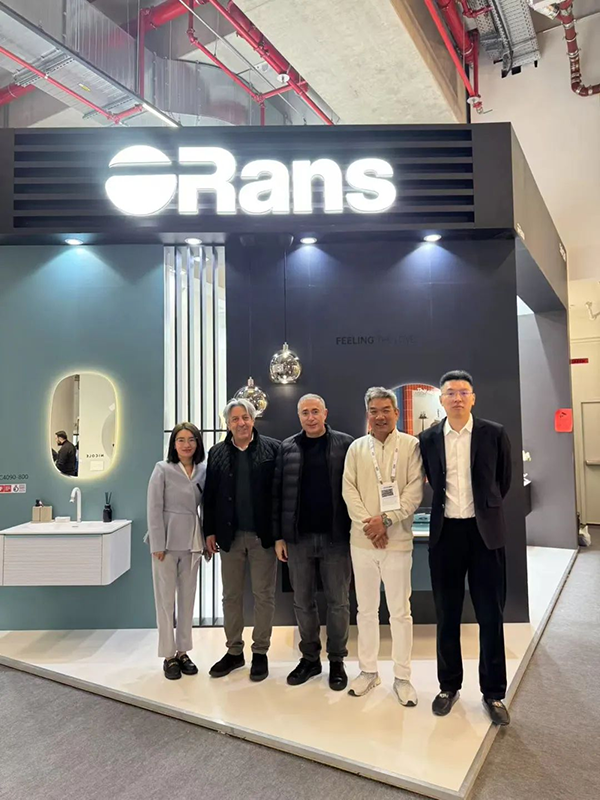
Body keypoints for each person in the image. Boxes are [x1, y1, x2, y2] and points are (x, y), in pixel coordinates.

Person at [419, 370, 512, 726]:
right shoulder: (428, 438)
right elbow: (432, 479)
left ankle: (494, 692)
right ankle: (448, 686)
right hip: (446, 536)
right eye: (450, 392)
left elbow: (502, 482)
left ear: (473, 397)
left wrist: (483, 511)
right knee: (447, 614)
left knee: (491, 615)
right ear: (441, 399)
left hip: (485, 534)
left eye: (463, 392)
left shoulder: (494, 433)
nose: (457, 398)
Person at [342, 387, 424, 705]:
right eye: (374, 410)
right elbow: (349, 490)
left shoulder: (411, 446)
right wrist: (371, 525)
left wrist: (387, 520)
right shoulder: (356, 448)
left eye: (386, 410)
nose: (380, 416)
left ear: (396, 413)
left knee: (400, 612)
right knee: (365, 610)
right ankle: (368, 671)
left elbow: (414, 491)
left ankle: (402, 677)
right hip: (362, 542)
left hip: (398, 541)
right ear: (368, 414)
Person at [273, 394, 353, 691]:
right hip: (299, 539)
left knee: (339, 602)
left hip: (336, 538)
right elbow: (277, 494)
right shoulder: (287, 447)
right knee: (302, 602)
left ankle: (337, 660)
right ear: (299, 416)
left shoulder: (345, 444)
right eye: (305, 412)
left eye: (315, 411)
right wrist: (279, 536)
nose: (310, 417)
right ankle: (310, 659)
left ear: (325, 413)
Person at [204, 399, 280, 682]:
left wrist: (280, 534)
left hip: (263, 537)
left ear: (253, 419)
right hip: (230, 537)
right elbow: (209, 496)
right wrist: (209, 531)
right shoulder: (217, 453)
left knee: (264, 595)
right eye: (235, 419)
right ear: (228, 423)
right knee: (231, 596)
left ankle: (260, 652)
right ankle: (234, 651)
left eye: (245, 417)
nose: (241, 423)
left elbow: (279, 495)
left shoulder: (273, 449)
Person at [146, 422, 207, 681]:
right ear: (173, 444)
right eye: (180, 440)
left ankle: (183, 651)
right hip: (167, 544)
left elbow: (208, 506)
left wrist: (207, 539)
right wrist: (157, 543)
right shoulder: (162, 469)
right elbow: (153, 507)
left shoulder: (203, 470)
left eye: (191, 439)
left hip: (192, 542)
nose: (186, 445)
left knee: (187, 599)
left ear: (197, 443)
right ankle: (168, 655)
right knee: (165, 601)